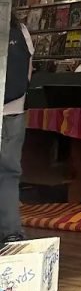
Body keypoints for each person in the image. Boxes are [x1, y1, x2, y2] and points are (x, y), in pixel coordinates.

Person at [0, 16, 33, 243]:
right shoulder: (19, 28)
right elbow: (29, 70)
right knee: (9, 173)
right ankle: (11, 231)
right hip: (14, 110)